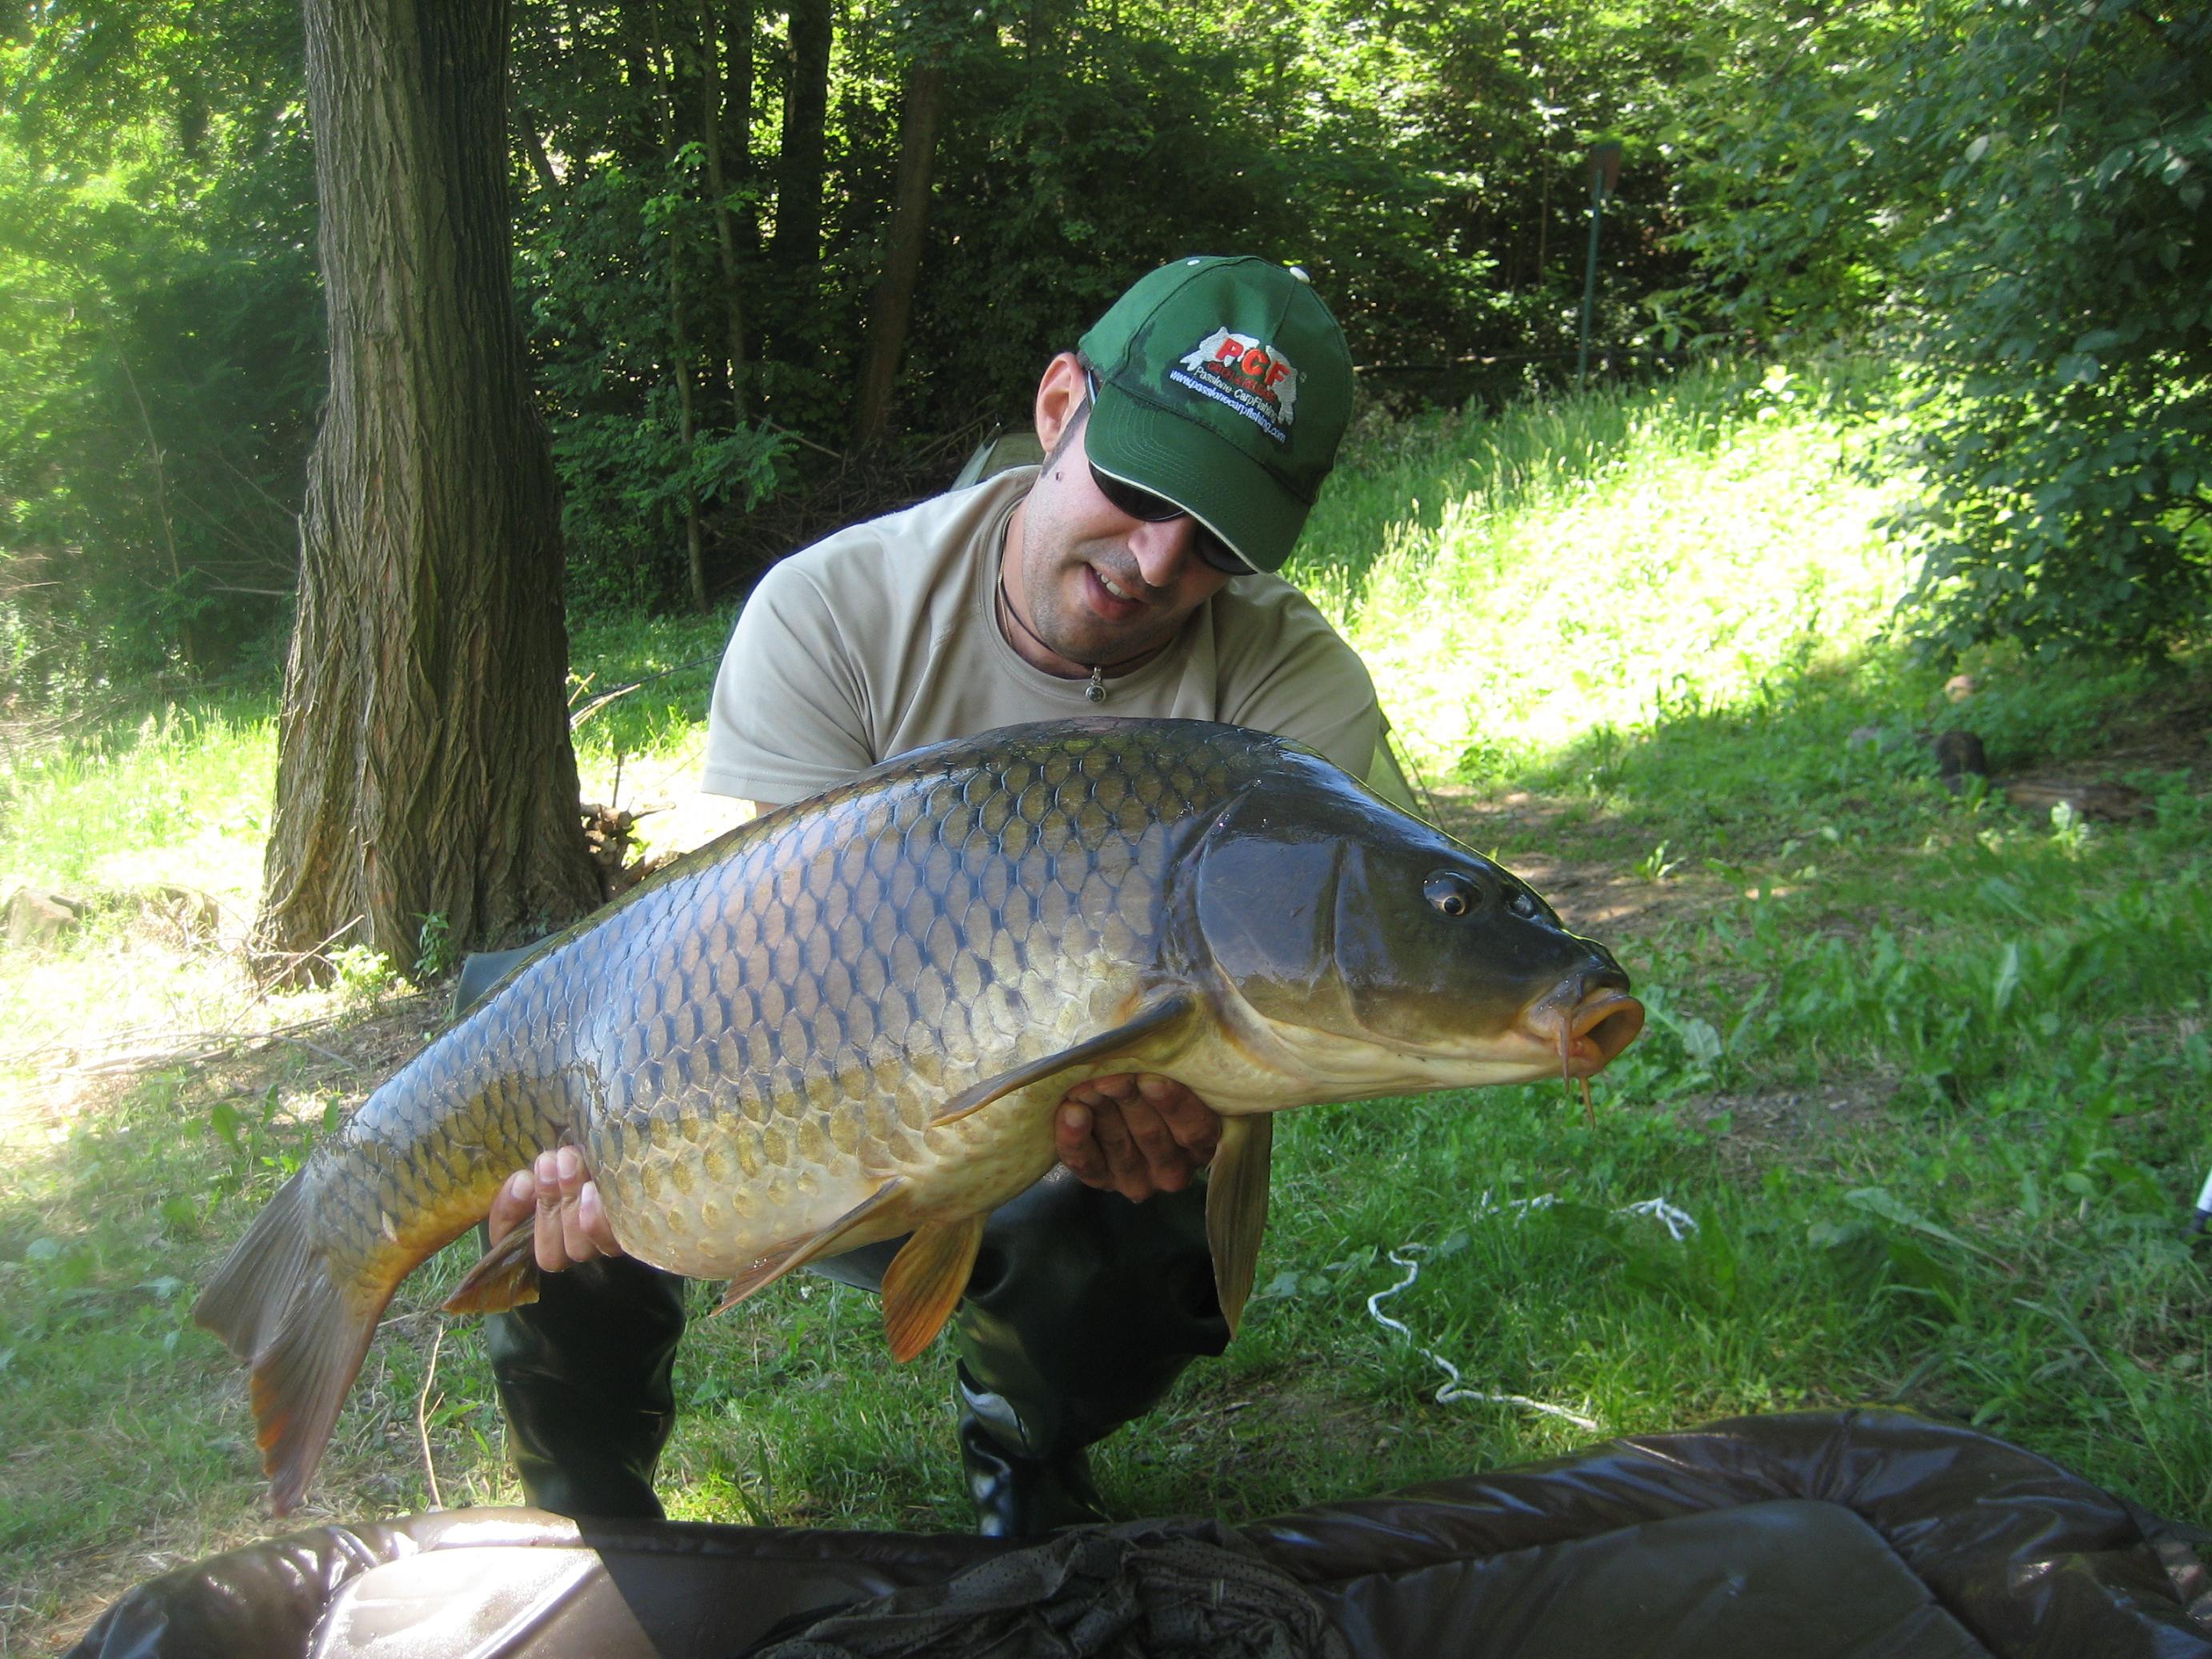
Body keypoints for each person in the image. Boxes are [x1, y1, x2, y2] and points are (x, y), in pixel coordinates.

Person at [477, 254, 1401, 1538]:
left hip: (1068, 1134)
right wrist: (649, 1159)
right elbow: (726, 979)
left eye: (1219, 541)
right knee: (558, 1074)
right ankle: (588, 1511)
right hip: (797, 1098)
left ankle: (1029, 1459)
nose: (1155, 559)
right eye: (1141, 489)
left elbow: (1344, 970)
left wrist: (1189, 1098)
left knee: (1124, 1213)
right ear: (1059, 407)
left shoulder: (1290, 696)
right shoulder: (832, 609)